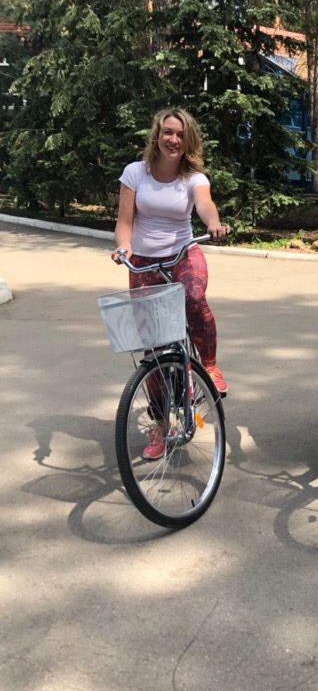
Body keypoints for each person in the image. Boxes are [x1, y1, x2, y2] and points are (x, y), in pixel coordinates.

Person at [112, 107, 230, 460]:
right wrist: (124, 246)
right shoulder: (135, 173)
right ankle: (160, 426)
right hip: (143, 261)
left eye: (180, 134)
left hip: (183, 255)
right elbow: (124, 221)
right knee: (154, 351)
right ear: (157, 135)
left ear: (187, 140)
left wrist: (213, 224)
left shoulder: (194, 177)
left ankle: (209, 363)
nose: (173, 139)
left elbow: (206, 205)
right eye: (167, 132)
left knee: (193, 297)